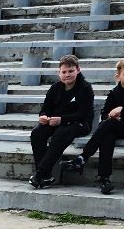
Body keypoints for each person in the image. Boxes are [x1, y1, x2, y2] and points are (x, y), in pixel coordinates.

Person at [69, 57, 124, 194]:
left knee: (108, 127)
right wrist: (112, 116)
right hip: (120, 128)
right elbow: (104, 114)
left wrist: (121, 110)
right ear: (118, 76)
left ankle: (83, 158)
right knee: (107, 134)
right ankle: (105, 180)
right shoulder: (115, 92)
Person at [28, 54, 92, 188]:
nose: (67, 75)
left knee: (62, 133)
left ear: (78, 70)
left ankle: (40, 173)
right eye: (64, 72)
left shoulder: (85, 88)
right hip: (57, 122)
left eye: (71, 71)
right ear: (59, 73)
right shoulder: (55, 87)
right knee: (37, 133)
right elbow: (45, 108)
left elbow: (83, 114)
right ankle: (46, 177)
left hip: (79, 124)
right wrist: (44, 116)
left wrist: (62, 119)